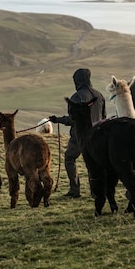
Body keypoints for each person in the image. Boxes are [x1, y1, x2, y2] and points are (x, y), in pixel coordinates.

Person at [49, 68, 106, 198]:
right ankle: (95, 191)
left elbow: (73, 119)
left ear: (77, 81)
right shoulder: (99, 95)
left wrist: (57, 119)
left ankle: (75, 190)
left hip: (79, 138)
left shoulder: (77, 97)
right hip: (97, 137)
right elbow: (104, 117)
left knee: (70, 158)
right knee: (94, 163)